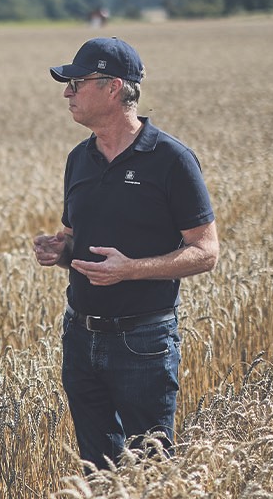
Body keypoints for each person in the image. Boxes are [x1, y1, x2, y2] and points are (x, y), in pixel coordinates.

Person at [32, 37, 217, 470]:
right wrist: (59, 249)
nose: (67, 92)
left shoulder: (171, 159)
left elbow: (205, 252)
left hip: (143, 342)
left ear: (113, 87)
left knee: (149, 469)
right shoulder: (79, 159)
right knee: (96, 471)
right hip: (80, 336)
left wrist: (130, 271)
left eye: (76, 82)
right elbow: (76, 239)